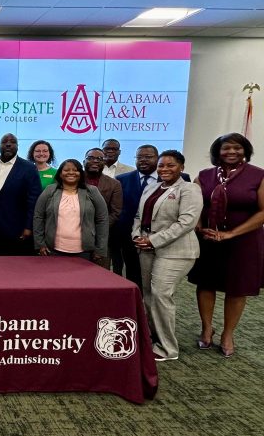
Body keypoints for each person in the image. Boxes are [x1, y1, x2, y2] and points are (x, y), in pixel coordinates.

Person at [188, 133, 264, 358]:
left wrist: (230, 234)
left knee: (237, 288)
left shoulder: (258, 176)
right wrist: (200, 227)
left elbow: (263, 212)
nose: (232, 152)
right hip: (209, 239)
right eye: (226, 148)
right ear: (217, 152)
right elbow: (194, 206)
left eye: (237, 148)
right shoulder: (204, 176)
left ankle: (228, 334)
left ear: (245, 151)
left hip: (244, 240)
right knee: (206, 284)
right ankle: (206, 328)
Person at [132, 150, 202, 362]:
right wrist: (137, 235)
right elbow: (138, 216)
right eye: (161, 165)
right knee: (149, 295)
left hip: (176, 251)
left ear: (181, 166)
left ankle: (168, 348)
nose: (164, 169)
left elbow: (186, 223)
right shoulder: (152, 187)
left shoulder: (189, 189)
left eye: (170, 165)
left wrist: (154, 240)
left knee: (161, 295)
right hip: (146, 248)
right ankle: (153, 338)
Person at [33, 159, 108, 262]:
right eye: (66, 170)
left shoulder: (92, 191)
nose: (71, 172)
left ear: (80, 173)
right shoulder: (50, 190)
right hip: (52, 250)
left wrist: (100, 249)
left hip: (84, 252)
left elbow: (102, 220)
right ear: (60, 173)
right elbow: (38, 216)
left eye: (75, 170)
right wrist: (40, 244)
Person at [0, 133, 42, 255]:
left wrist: (28, 227)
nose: (8, 144)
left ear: (18, 146)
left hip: (17, 231)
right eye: (4, 142)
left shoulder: (29, 168)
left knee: (15, 270)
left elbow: (34, 200)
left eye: (12, 142)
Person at [114, 144, 160, 290]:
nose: (143, 160)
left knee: (160, 280)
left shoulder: (175, 178)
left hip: (162, 237)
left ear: (157, 158)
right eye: (139, 157)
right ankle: (136, 307)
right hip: (129, 237)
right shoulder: (122, 179)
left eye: (148, 157)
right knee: (132, 274)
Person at [84, 147, 123, 269]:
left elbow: (115, 212)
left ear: (104, 163)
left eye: (99, 159)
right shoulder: (75, 179)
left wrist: (98, 228)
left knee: (100, 274)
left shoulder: (114, 184)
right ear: (84, 161)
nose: (95, 161)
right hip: (75, 235)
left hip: (102, 236)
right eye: (91, 158)